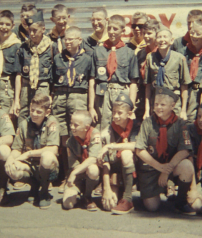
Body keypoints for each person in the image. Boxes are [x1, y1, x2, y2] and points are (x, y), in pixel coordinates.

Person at [135, 87, 201, 214]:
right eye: (156, 104)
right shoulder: (148, 123)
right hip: (152, 168)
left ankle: (180, 202)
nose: (158, 107)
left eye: (162, 104)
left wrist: (167, 170)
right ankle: (157, 190)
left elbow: (185, 151)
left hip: (171, 167)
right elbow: (139, 150)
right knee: (152, 207)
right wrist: (159, 167)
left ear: (172, 105)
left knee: (187, 166)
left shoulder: (181, 124)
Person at [51, 26, 93, 194]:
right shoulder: (58, 59)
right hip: (60, 97)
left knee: (77, 135)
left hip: (78, 96)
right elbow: (53, 81)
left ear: (79, 40)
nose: (68, 42)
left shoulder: (88, 59)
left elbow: (91, 82)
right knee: (62, 136)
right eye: (65, 39)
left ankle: (75, 175)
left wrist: (90, 106)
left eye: (71, 39)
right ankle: (63, 174)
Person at [4, 93, 60, 209]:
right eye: (32, 110)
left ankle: (44, 191)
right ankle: (33, 186)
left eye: (39, 112)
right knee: (13, 170)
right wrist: (10, 159)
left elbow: (53, 149)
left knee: (47, 156)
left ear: (47, 112)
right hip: (30, 165)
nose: (34, 114)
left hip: (48, 167)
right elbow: (16, 149)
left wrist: (29, 153)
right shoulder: (24, 124)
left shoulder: (52, 123)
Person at [88, 14, 139, 132]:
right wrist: (91, 107)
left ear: (123, 30)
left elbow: (133, 82)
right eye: (109, 28)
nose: (111, 32)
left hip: (122, 92)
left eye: (115, 29)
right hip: (102, 94)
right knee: (103, 127)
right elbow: (92, 81)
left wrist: (131, 105)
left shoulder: (129, 52)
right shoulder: (98, 51)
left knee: (121, 126)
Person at [97, 92, 140, 214]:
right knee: (109, 205)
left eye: (120, 113)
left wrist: (112, 146)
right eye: (114, 112)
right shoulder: (108, 131)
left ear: (129, 114)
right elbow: (104, 162)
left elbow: (136, 145)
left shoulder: (137, 126)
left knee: (126, 153)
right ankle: (117, 190)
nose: (115, 116)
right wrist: (106, 189)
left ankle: (127, 198)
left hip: (135, 170)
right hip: (115, 172)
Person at [13, 10, 53, 124]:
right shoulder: (23, 48)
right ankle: (23, 138)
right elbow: (18, 75)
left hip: (43, 85)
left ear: (43, 29)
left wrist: (52, 95)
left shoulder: (51, 47)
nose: (32, 34)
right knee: (24, 113)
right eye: (30, 30)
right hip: (26, 86)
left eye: (35, 30)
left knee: (41, 113)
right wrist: (16, 100)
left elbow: (55, 75)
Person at [144, 27, 191, 121]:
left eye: (165, 37)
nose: (162, 40)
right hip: (157, 102)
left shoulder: (179, 59)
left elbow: (184, 86)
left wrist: (183, 110)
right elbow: (148, 86)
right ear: (156, 41)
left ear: (171, 40)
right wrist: (147, 110)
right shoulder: (150, 58)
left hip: (174, 103)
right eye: (159, 37)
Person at [62, 111, 102, 211]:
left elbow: (93, 158)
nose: (72, 127)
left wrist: (74, 173)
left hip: (91, 174)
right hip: (79, 175)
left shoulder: (95, 135)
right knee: (68, 204)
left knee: (93, 169)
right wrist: (75, 173)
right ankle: (79, 190)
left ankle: (87, 196)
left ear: (86, 127)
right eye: (71, 124)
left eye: (76, 125)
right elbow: (73, 165)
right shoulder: (71, 141)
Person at [135, 19, 161, 122]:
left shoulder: (161, 52)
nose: (146, 36)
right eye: (144, 33)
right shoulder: (141, 53)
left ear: (157, 34)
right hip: (142, 94)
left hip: (157, 93)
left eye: (149, 33)